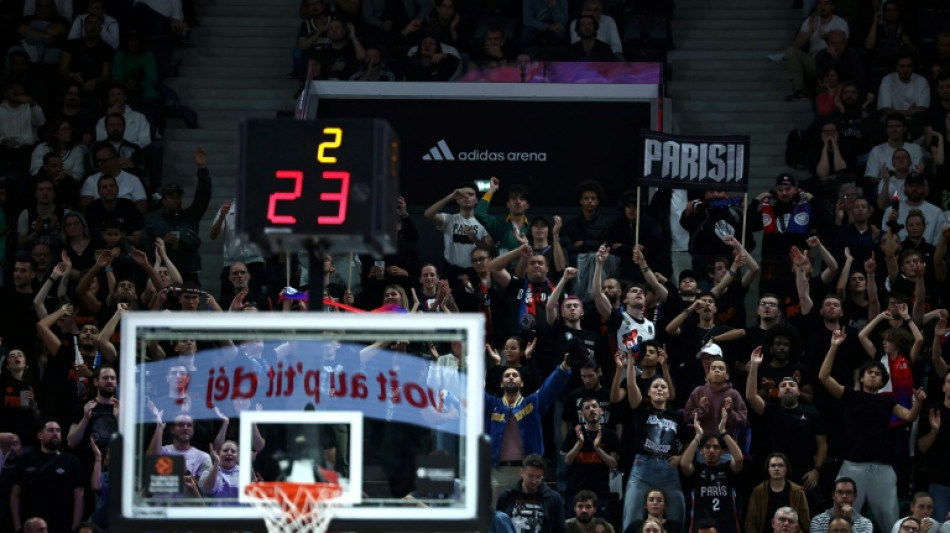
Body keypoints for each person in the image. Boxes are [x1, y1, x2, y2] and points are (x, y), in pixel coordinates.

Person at [820, 329, 925, 533]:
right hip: (851, 465)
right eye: (870, 372)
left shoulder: (887, 400)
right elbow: (824, 377)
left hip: (882, 467)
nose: (874, 375)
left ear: (882, 381)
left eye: (878, 374)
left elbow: (910, 416)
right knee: (841, 520)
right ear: (861, 377)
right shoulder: (850, 395)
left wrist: (919, 402)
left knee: (891, 520)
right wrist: (834, 346)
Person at [485, 350, 571, 508]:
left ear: (522, 383)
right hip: (497, 472)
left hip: (527, 472)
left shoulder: (533, 403)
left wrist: (564, 367)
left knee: (527, 519)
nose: (511, 377)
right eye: (507, 375)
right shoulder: (491, 405)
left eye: (515, 375)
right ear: (501, 384)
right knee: (495, 520)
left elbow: (550, 387)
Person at [745, 346, 827, 503]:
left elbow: (822, 444)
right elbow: (750, 396)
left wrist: (816, 470)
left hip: (805, 475)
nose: (788, 387)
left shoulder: (811, 412)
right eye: (783, 386)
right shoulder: (770, 410)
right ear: (779, 392)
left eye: (792, 385)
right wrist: (754, 366)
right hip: (776, 474)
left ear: (798, 392)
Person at [621, 357, 687, 533]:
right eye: (655, 387)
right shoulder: (642, 410)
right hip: (642, 467)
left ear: (668, 394)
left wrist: (681, 457)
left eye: (663, 387)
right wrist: (629, 360)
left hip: (669, 470)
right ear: (648, 393)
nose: (659, 389)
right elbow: (630, 386)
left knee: (677, 515)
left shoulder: (676, 416)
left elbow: (688, 441)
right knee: (631, 516)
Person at [141, 147, 211, 280]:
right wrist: (162, 243)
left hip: (189, 270)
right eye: (172, 197)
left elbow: (203, 196)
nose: (177, 200)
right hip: (163, 271)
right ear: (164, 199)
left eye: (179, 197)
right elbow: (144, 244)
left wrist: (202, 169)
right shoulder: (152, 219)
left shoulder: (190, 216)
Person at [10, 419, 85, 533]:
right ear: (40, 435)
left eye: (58, 430)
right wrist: (17, 526)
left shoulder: (71, 460)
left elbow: (79, 495)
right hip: (31, 525)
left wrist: (75, 527)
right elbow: (15, 494)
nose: (55, 433)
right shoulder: (27, 459)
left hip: (61, 526)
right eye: (50, 430)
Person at [681, 409, 744, 533]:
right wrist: (697, 437)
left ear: (721, 452)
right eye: (707, 447)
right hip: (702, 526)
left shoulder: (727, 468)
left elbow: (739, 459)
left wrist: (723, 432)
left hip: (727, 525)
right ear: (701, 451)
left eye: (716, 447)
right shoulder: (697, 469)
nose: (711, 450)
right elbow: (684, 464)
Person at [561, 396, 620, 517]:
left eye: (594, 406)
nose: (592, 410)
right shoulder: (575, 432)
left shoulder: (610, 434)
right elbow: (567, 460)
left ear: (601, 410)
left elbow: (613, 463)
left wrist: (598, 449)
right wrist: (579, 443)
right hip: (576, 491)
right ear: (582, 414)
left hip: (600, 492)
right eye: (587, 408)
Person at [781, 0, 849, 100]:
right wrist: (810, 31)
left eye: (826, 4)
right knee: (791, 52)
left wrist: (828, 39)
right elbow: (795, 45)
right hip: (814, 62)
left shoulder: (841, 23)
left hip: (832, 61)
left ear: (832, 7)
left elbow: (843, 48)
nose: (822, 7)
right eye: (820, 4)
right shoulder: (811, 21)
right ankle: (799, 90)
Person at [424, 181, 489, 280]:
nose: (466, 197)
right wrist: (450, 196)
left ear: (476, 200)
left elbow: (489, 248)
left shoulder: (483, 223)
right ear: (457, 200)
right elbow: (428, 214)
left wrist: (474, 239)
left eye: (470, 194)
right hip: (451, 270)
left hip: (475, 270)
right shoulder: (449, 219)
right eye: (462, 195)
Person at [496, 454, 566, 533]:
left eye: (538, 477)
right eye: (530, 476)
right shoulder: (507, 496)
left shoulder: (553, 499)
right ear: (521, 472)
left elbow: (560, 529)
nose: (534, 481)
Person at [744, 454, 811, 533]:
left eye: (780, 465)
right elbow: (750, 523)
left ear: (786, 469)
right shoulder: (758, 491)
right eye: (773, 466)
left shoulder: (798, 491)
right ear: (768, 469)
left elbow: (805, 522)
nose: (776, 468)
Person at [877, 53, 930, 119]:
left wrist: (899, 112)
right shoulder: (887, 80)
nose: (905, 70)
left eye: (908, 66)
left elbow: (922, 108)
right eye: (902, 66)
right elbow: (885, 110)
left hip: (915, 120)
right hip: (893, 121)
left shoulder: (922, 81)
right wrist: (907, 113)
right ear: (896, 67)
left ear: (913, 67)